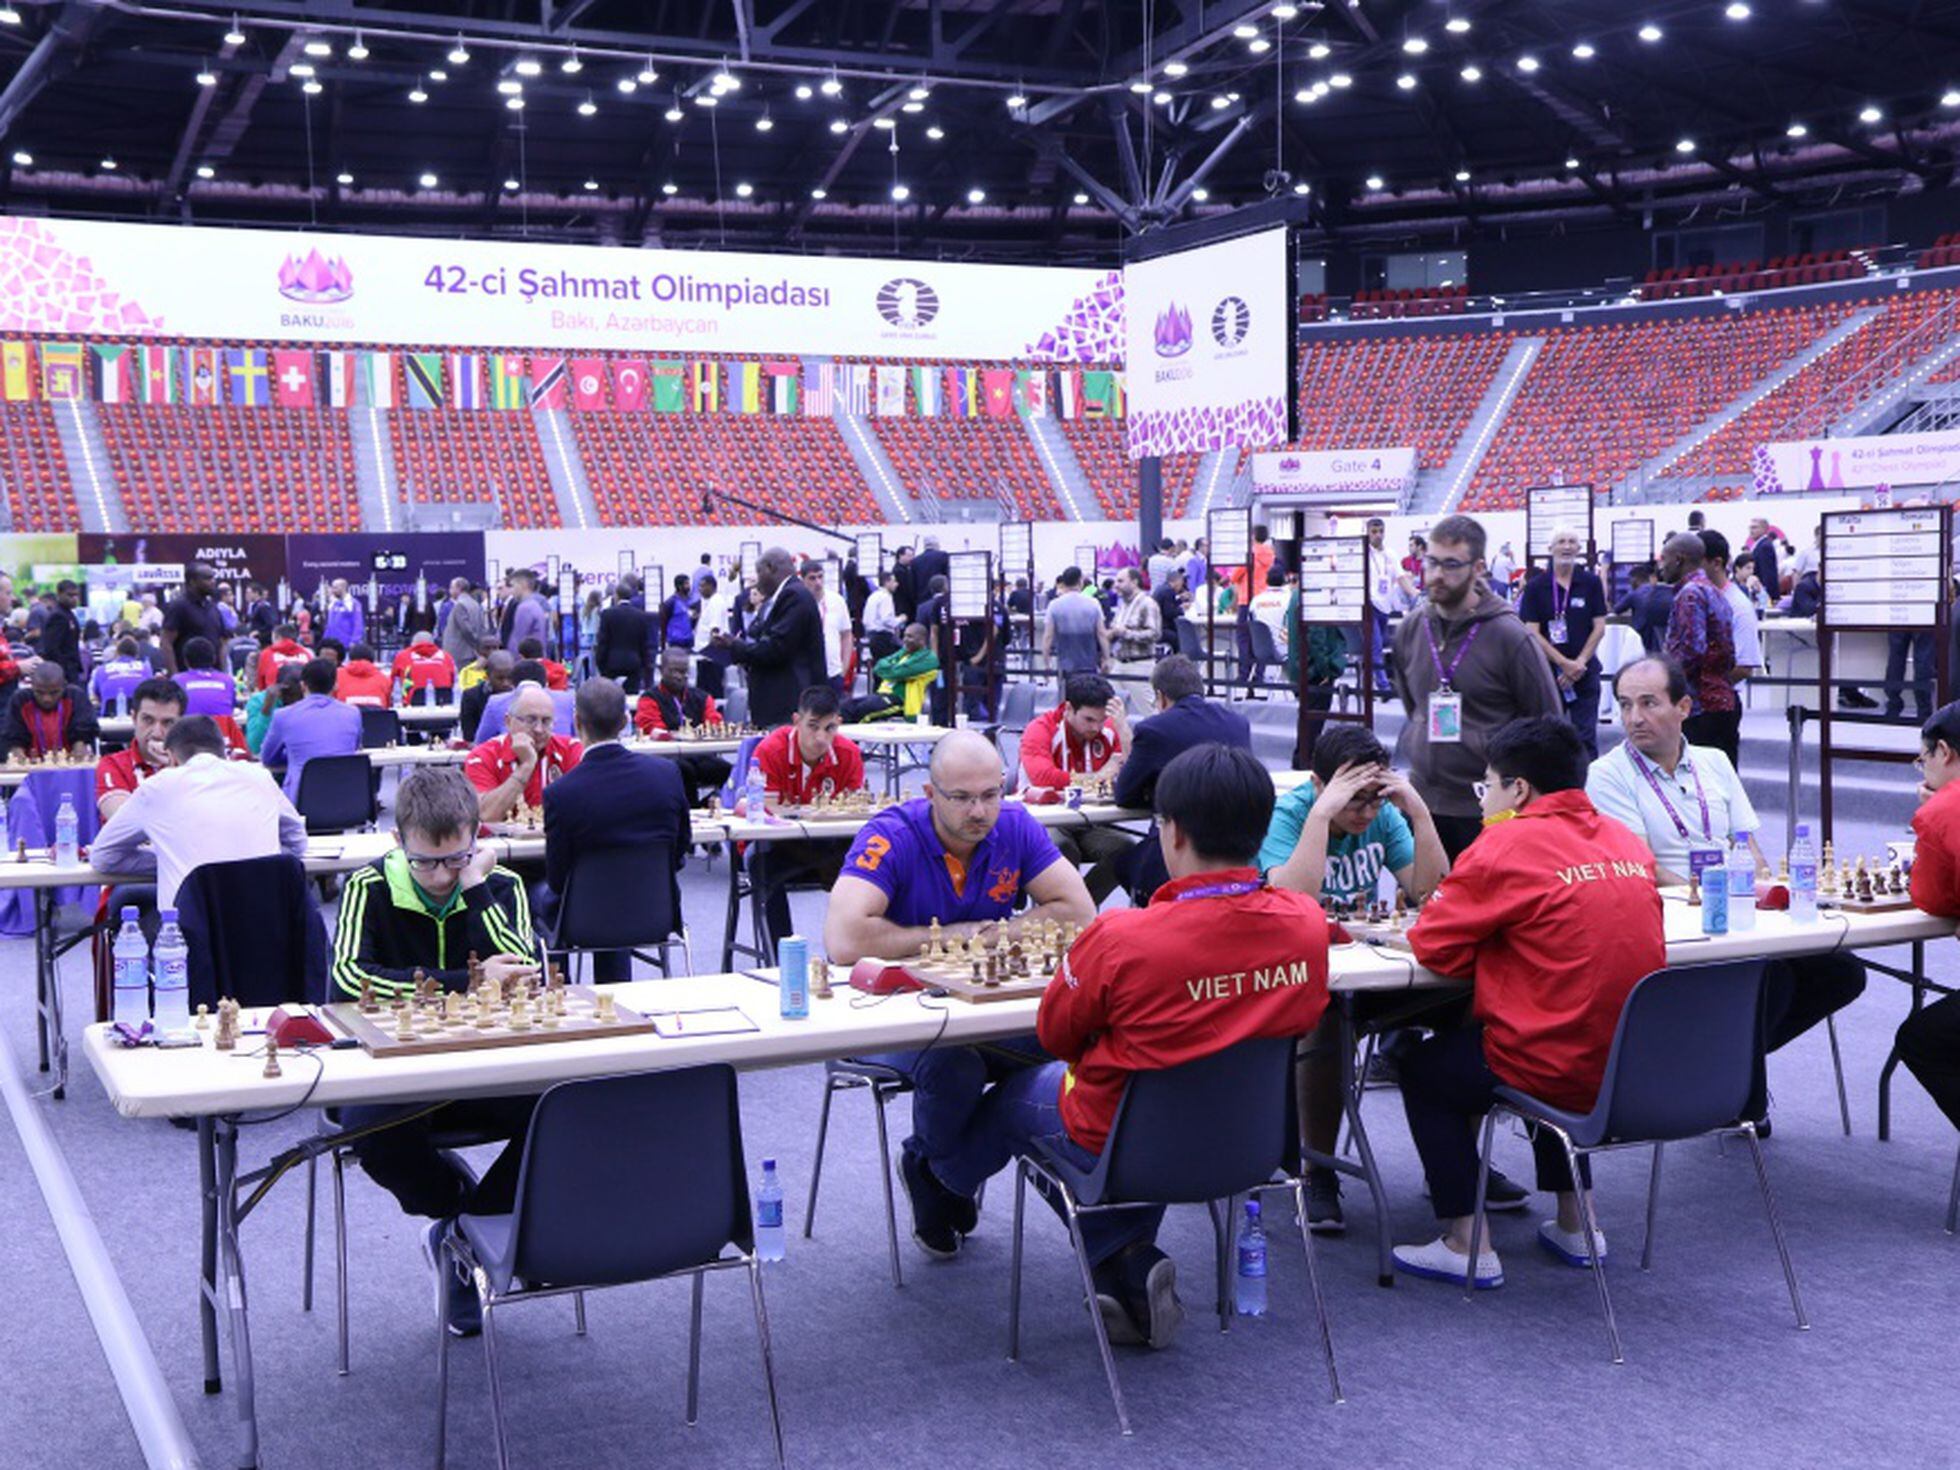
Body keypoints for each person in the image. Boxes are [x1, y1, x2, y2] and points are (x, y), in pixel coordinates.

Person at [920, 743, 1329, 1344]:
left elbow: (1057, 1035)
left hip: (1126, 1143)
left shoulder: (1122, 937)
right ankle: (1126, 1263)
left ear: (1174, 833)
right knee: (1139, 1104)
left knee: (1017, 1094)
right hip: (1248, 1148)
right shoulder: (1306, 924)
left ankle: (940, 1177)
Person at [1392, 716, 1666, 1287]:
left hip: (1549, 1062)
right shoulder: (1625, 840)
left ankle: (1467, 1241)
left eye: (1486, 786)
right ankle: (1577, 1222)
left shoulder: (1505, 843)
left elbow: (1433, 945)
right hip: (1628, 1065)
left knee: (1423, 1067)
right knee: (1564, 1025)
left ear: (1518, 790)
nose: (1484, 798)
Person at [824, 729, 1096, 1257]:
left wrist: (991, 935)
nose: (980, 811)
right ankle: (945, 1167)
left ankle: (937, 1169)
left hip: (980, 1008)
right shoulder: (893, 835)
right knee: (956, 1066)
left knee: (1068, 1048)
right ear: (929, 794)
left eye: (991, 794)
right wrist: (957, 936)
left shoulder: (1013, 826)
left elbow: (1079, 912)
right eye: (962, 798)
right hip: (885, 1015)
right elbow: (844, 939)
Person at [329, 766, 542, 1337]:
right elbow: (350, 978)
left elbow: (522, 972)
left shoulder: (501, 887)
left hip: (487, 1070)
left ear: (477, 837)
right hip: (398, 1077)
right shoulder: (369, 887)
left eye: (456, 858)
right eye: (426, 861)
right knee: (371, 1137)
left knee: (567, 1105)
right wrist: (463, 984)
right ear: (399, 843)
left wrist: (477, 887)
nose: (441, 875)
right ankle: (455, 1214)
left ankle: (467, 1234)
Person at [1588, 655, 1865, 1087]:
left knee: (1842, 972)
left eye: (1648, 703)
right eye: (1624, 705)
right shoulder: (1607, 774)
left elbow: (1748, 847)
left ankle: (1722, 1061)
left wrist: (1757, 898)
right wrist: (1715, 898)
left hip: (1738, 916)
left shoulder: (1714, 762)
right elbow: (1645, 867)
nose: (1633, 718)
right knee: (1769, 981)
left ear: (1684, 707)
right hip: (1676, 924)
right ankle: (1734, 1085)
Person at [1391, 514, 1562, 861]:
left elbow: (1548, 727)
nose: (1437, 575)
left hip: (1489, 812)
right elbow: (1414, 708)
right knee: (1426, 908)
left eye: (1451, 564)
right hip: (1424, 804)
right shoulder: (1411, 629)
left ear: (1479, 567)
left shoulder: (1509, 636)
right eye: (1432, 562)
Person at [539, 679, 688, 982]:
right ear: (624, 721)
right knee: (612, 894)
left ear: (577, 721)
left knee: (537, 894)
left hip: (583, 922)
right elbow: (680, 850)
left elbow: (557, 878)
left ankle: (560, 993)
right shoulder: (666, 775)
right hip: (655, 914)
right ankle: (616, 991)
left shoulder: (561, 793)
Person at [92, 716, 308, 909]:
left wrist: (169, 858)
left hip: (187, 940)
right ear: (224, 752)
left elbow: (103, 857)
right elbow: (297, 842)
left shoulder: (157, 787)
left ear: (171, 759)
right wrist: (257, 857)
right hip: (264, 929)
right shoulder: (259, 777)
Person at [1112, 654, 1252, 903]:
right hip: (1235, 850)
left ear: (1161, 696)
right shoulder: (1238, 723)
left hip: (1178, 851)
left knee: (1121, 861)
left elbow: (1124, 794)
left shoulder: (1154, 729)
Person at [748, 685, 866, 948]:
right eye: (813, 726)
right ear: (796, 721)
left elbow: (856, 814)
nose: (821, 738)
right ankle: (781, 957)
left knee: (873, 867)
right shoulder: (771, 750)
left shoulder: (849, 754)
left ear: (839, 724)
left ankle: (852, 950)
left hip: (830, 846)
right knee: (760, 866)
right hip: (781, 847)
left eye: (829, 728)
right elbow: (768, 813)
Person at [1516, 527, 1609, 758]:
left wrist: (1578, 663)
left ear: (1579, 549)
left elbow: (1599, 627)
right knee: (1548, 737)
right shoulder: (1536, 587)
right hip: (1549, 674)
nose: (1566, 546)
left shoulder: (1591, 583)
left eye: (1572, 542)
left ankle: (1587, 790)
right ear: (1550, 549)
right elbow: (1531, 631)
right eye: (1561, 542)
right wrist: (1563, 663)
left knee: (1586, 737)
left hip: (1585, 671)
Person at [712, 547, 827, 728]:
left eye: (759, 572)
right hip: (779, 703)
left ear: (770, 568)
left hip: (788, 703)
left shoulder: (794, 595)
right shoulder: (778, 598)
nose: (758, 580)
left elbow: (776, 648)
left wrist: (735, 646)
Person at [1659, 531, 1738, 755]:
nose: (1661, 566)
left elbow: (1692, 650)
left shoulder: (1690, 594)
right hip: (1721, 701)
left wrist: (1665, 680)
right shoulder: (1715, 591)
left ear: (1679, 559)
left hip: (1699, 708)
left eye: (1664, 559)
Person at [464, 682, 583, 821]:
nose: (539, 729)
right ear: (508, 722)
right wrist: (526, 766)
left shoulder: (572, 750)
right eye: (530, 720)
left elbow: (585, 809)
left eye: (546, 721)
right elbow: (486, 815)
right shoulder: (482, 757)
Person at [634, 647, 734, 806]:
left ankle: (714, 805)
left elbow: (714, 725)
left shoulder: (702, 697)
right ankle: (690, 814)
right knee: (683, 770)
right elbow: (654, 730)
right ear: (661, 670)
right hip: (664, 759)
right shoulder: (649, 699)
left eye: (684, 672)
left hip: (699, 756)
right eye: (674, 671)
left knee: (731, 771)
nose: (680, 677)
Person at [259, 658, 362, 802]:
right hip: (349, 800)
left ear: (303, 686)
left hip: (302, 802)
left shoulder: (283, 716)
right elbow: (352, 748)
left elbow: (267, 758)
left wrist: (295, 755)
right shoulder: (353, 713)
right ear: (335, 686)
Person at [1698, 529, 1759, 766]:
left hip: (1719, 709)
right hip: (1695, 707)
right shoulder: (1697, 597)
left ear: (1716, 563)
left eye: (1696, 562)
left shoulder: (1738, 606)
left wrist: (1706, 687)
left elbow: (1744, 667)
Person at [96, 677, 184, 820]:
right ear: (133, 718)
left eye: (167, 723)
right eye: (148, 720)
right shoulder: (112, 764)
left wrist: (174, 771)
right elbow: (123, 822)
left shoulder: (190, 765)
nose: (156, 732)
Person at [2, 661, 99, 759]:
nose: (47, 699)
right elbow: (13, 736)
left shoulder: (75, 697)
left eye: (54, 693)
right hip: (31, 766)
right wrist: (17, 755)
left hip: (70, 764)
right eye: (40, 692)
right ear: (32, 686)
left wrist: (79, 748)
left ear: (64, 686)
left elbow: (84, 732)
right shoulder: (20, 700)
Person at [1041, 566, 1108, 697]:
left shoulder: (1054, 605)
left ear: (1064, 582)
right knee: (1088, 699)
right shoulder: (1093, 603)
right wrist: (1106, 658)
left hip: (1065, 665)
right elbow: (1101, 633)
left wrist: (1046, 663)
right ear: (1080, 581)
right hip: (1089, 664)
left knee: (1066, 701)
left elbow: (1048, 637)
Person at [852, 622, 940, 722]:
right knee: (847, 706)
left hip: (900, 699)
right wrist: (892, 669)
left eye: (910, 637)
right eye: (905, 636)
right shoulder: (904, 652)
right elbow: (878, 667)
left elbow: (897, 673)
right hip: (882, 694)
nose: (905, 640)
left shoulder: (928, 658)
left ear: (922, 640)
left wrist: (890, 668)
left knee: (861, 711)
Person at [159, 565, 229, 675]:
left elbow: (222, 642)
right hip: (186, 678)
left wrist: (223, 674)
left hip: (213, 678)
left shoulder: (213, 608)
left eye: (213, 578)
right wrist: (175, 677)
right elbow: (166, 642)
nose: (213, 582)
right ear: (192, 582)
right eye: (207, 578)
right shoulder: (178, 606)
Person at [1108, 567, 1161, 708]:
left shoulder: (1147, 604)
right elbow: (1116, 627)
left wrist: (1125, 633)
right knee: (1113, 712)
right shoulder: (1123, 605)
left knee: (1148, 709)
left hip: (1139, 664)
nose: (1116, 585)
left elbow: (1154, 634)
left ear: (1134, 582)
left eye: (1120, 581)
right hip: (1119, 663)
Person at [801, 561, 855, 693]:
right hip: (808, 673)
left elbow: (846, 634)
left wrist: (844, 667)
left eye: (820, 577)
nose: (818, 582)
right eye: (812, 578)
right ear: (803, 580)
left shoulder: (837, 601)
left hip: (833, 672)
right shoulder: (799, 602)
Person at [594, 577, 654, 691]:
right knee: (632, 697)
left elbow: (603, 641)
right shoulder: (641, 616)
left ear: (616, 595)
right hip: (634, 663)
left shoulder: (607, 614)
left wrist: (600, 664)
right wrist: (644, 665)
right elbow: (644, 644)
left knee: (611, 697)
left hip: (611, 663)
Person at [1613, 561, 1675, 655]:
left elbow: (1617, 609)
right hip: (1660, 636)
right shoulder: (1661, 592)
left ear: (1634, 580)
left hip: (1640, 634)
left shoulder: (1634, 594)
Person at [1365, 518, 1398, 694]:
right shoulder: (1363, 553)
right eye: (1374, 531)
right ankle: (1383, 685)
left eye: (1381, 531)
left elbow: (1401, 577)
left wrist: (1415, 594)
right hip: (1369, 605)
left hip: (1385, 606)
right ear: (1368, 533)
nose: (1378, 535)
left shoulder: (1390, 554)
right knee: (1376, 646)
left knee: (1384, 644)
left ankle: (1380, 680)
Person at [172, 636, 237, 720]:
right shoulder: (227, 680)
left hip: (188, 730)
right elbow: (231, 708)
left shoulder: (177, 681)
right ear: (214, 659)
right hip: (221, 731)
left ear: (186, 661)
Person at [245, 664, 303, 756]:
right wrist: (267, 707)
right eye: (291, 695)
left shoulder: (310, 701)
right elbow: (254, 746)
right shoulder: (258, 701)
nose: (294, 702)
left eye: (300, 696)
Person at [89, 636, 150, 717]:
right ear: (136, 653)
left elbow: (96, 695)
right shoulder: (145, 668)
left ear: (117, 652)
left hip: (109, 717)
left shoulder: (101, 670)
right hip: (139, 714)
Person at [391, 631, 456, 707]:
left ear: (412, 643)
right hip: (444, 702)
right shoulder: (446, 656)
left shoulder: (402, 656)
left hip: (411, 704)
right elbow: (453, 680)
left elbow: (393, 680)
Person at [36, 579, 82, 682]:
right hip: (64, 671)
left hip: (71, 667)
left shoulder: (68, 613)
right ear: (59, 594)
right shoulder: (58, 616)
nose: (74, 599)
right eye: (70, 595)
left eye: (76, 595)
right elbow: (52, 649)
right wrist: (62, 671)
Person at [499, 568, 550, 655]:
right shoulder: (535, 605)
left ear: (522, 585)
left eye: (513, 586)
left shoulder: (525, 608)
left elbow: (517, 640)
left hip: (525, 660)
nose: (512, 590)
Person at [440, 578, 487, 669]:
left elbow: (466, 629)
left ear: (459, 588)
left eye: (451, 587)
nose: (450, 590)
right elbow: (481, 627)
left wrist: (476, 644)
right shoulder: (475, 604)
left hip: (460, 653)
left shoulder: (460, 605)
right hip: (469, 652)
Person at [863, 570, 904, 665]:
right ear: (887, 582)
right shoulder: (885, 597)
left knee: (879, 667)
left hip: (872, 636)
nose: (896, 584)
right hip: (883, 637)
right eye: (894, 581)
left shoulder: (873, 596)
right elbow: (886, 620)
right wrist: (900, 619)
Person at [332, 642, 391, 708]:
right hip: (375, 717)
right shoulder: (384, 679)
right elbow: (386, 706)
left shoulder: (336, 675)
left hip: (345, 716)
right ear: (372, 659)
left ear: (350, 658)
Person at [255, 622, 310, 691]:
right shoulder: (306, 653)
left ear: (278, 637)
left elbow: (261, 684)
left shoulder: (266, 653)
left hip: (275, 697)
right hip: (303, 696)